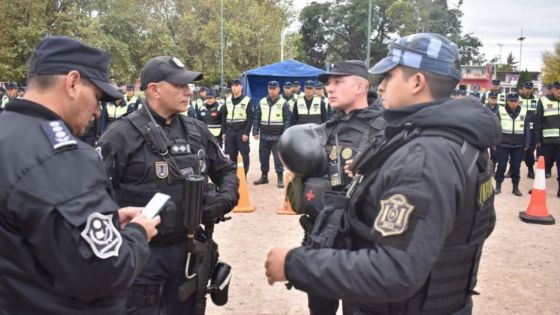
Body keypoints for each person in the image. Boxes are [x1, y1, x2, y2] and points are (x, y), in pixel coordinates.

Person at [265, 33, 498, 315]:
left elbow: (394, 270)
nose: (383, 86)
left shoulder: (424, 156)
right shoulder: (457, 142)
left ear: (417, 82)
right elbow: (479, 225)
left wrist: (292, 264)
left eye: (388, 76)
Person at [0, 35, 160, 314]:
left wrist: (105, 221)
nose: (98, 110)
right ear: (73, 83)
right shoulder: (63, 157)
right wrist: (137, 233)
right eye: (97, 97)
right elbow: (106, 271)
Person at [97, 55, 239, 314]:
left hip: (190, 252)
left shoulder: (196, 130)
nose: (188, 91)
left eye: (189, 85)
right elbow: (94, 193)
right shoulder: (121, 135)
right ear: (154, 90)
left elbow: (226, 170)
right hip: (142, 255)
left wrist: (222, 201)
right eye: (180, 85)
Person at [283, 60, 386, 315]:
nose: (329, 88)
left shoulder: (387, 132)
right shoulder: (324, 131)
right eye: (328, 83)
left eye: (338, 81)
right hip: (321, 242)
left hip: (363, 247)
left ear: (360, 86)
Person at [253, 80, 291, 188]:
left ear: (278, 89)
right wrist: (255, 131)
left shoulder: (284, 103)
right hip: (264, 135)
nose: (272, 90)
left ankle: (280, 178)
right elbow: (257, 118)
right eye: (270, 88)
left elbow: (287, 120)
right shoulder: (262, 102)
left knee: (278, 159)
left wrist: (285, 134)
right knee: (263, 157)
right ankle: (264, 177)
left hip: (278, 136)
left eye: (274, 88)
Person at [494, 93, 530, 196]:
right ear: (507, 101)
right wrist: (495, 142)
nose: (513, 103)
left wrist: (527, 143)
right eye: (511, 101)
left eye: (515, 101)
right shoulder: (500, 111)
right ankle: (498, 186)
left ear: (518, 101)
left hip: (518, 145)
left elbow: (527, 128)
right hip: (503, 144)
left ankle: (515, 187)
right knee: (501, 165)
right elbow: (496, 128)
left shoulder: (524, 111)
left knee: (516, 166)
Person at [223, 78, 254, 174]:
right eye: (232, 86)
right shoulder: (227, 100)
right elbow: (224, 116)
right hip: (230, 130)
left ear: (241, 87)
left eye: (236, 85)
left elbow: (250, 118)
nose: (234, 87)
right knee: (232, 155)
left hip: (241, 131)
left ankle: (244, 174)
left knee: (244, 154)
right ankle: (233, 175)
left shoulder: (247, 100)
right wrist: (224, 132)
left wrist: (246, 133)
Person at [535, 80, 560, 196]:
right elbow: (538, 122)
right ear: (553, 89)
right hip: (547, 141)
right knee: (543, 166)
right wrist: (538, 140)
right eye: (557, 89)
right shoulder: (543, 101)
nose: (559, 92)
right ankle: (539, 187)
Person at [520, 82, 538, 179]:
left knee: (530, 150)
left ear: (532, 89)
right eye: (526, 88)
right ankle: (511, 170)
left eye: (529, 88)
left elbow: (538, 116)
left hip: (531, 130)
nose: (527, 90)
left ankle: (530, 170)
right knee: (515, 149)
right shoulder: (517, 99)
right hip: (519, 129)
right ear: (523, 88)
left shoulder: (536, 100)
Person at [485, 92, 500, 169]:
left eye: (495, 98)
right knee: (484, 153)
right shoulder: (483, 107)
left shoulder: (500, 108)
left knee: (494, 153)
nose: (493, 100)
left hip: (495, 134)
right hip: (485, 133)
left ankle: (493, 168)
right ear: (488, 98)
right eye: (492, 98)